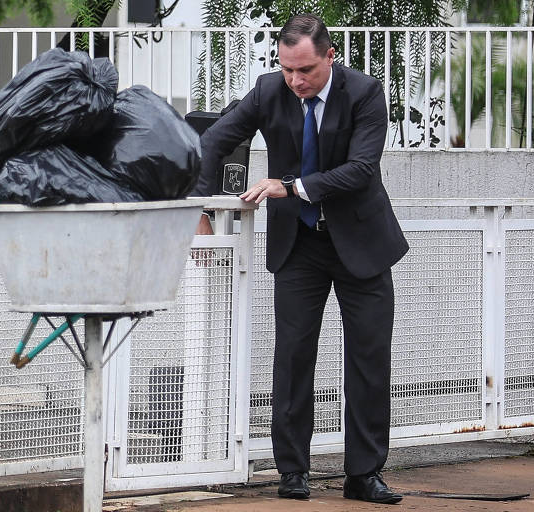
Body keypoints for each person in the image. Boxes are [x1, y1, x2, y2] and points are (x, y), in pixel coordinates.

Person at [192, 13, 409, 505]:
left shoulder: (365, 92)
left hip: (362, 243)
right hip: (299, 246)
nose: (295, 81)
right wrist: (200, 209)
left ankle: (365, 475)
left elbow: (359, 170)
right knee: (292, 359)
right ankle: (293, 473)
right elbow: (211, 142)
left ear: (330, 56)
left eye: (305, 70)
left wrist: (288, 186)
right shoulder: (269, 91)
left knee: (368, 361)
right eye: (287, 69)